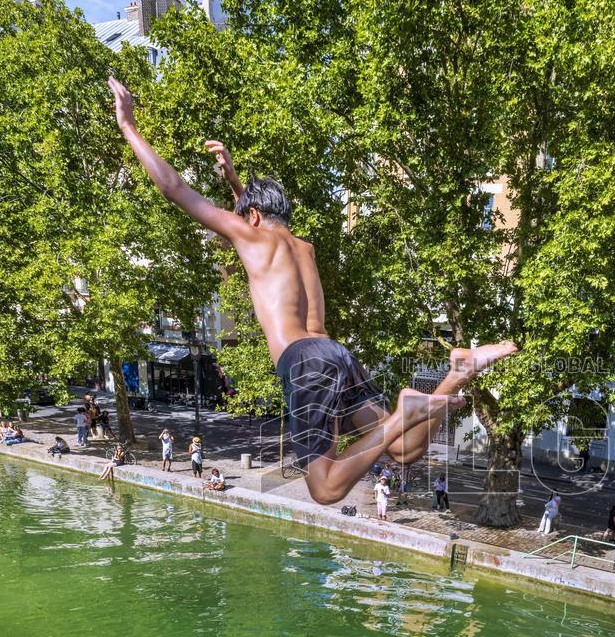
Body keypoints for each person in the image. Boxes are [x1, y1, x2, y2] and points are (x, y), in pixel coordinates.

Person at [108, 77, 516, 508]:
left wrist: (129, 125)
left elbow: (174, 189)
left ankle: (409, 411)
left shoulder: (254, 239)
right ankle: (456, 374)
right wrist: (233, 178)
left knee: (325, 489)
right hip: (336, 354)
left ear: (250, 215)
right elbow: (252, 224)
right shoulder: (304, 248)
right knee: (402, 449)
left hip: (303, 363)